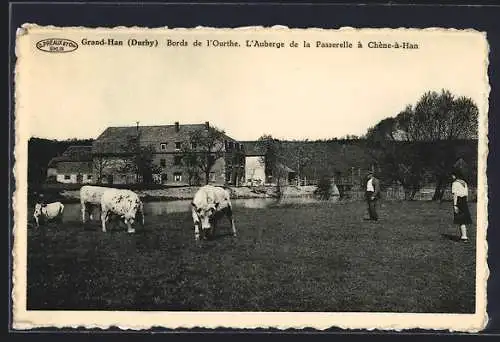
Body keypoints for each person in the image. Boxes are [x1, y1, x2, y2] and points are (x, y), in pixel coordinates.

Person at [451, 171, 472, 242]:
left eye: (453, 175)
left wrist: (455, 205)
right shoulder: (464, 183)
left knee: (460, 220)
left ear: (456, 176)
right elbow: (466, 194)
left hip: (459, 201)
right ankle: (463, 235)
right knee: (463, 220)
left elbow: (455, 195)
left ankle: (464, 236)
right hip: (464, 201)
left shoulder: (455, 183)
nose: (452, 177)